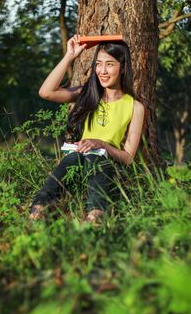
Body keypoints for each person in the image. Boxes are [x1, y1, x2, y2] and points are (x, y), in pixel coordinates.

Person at [29, 34, 144, 222]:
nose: (102, 71)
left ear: (123, 68)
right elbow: (46, 92)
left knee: (96, 158)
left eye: (109, 64)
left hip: (105, 164)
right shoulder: (88, 93)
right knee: (73, 158)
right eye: (98, 64)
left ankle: (96, 217)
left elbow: (128, 157)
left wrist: (101, 144)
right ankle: (39, 210)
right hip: (77, 158)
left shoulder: (135, 107)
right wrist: (69, 56)